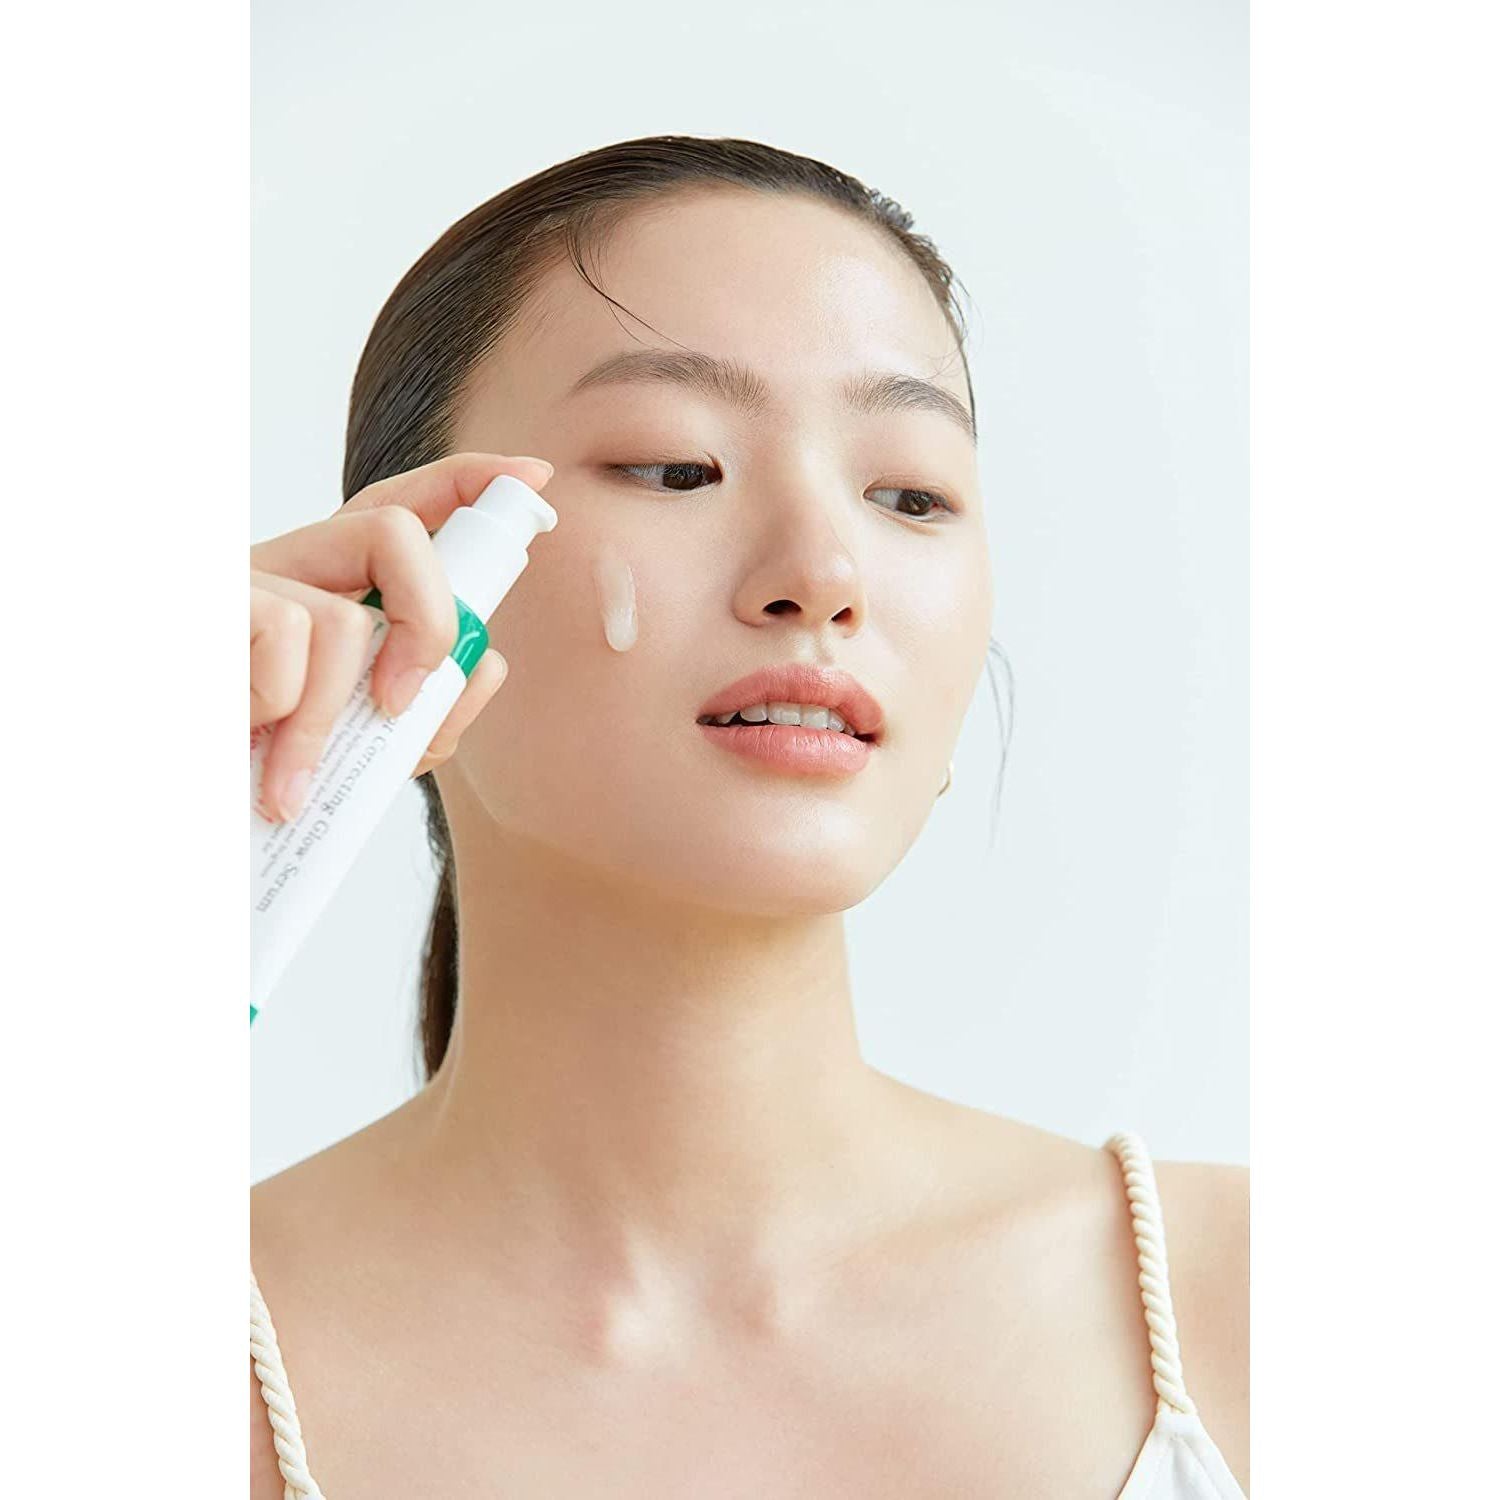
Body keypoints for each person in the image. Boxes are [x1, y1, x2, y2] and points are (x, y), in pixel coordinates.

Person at [250, 135, 1249, 1498]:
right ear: (401, 589)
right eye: (676, 468)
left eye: (910, 496)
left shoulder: (1251, 1309)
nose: (824, 573)